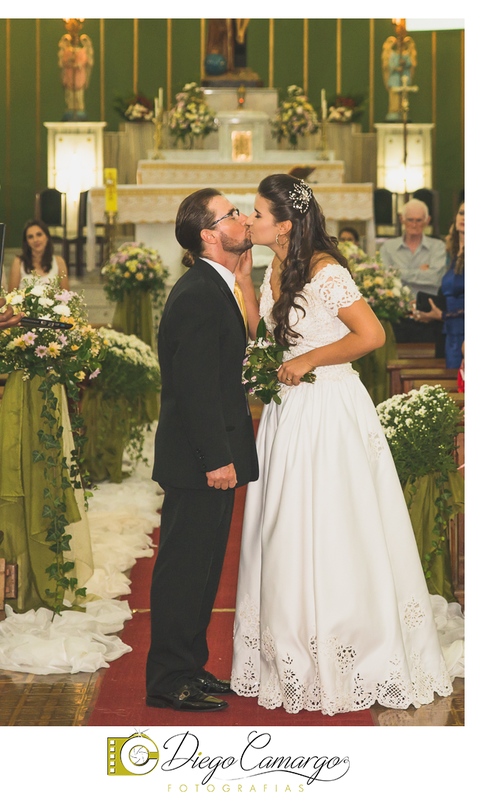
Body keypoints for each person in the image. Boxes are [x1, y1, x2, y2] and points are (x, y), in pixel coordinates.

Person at [230, 174, 454, 715]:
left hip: (329, 410)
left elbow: (369, 335)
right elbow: (269, 333)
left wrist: (308, 360)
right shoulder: (272, 265)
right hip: (288, 415)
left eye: (258, 214)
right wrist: (242, 282)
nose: (249, 220)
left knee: (332, 524)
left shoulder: (327, 272)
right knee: (286, 525)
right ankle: (293, 646)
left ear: (284, 225)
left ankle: (350, 644)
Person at [146, 188, 259, 712]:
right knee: (183, 569)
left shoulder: (218, 286)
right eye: (232, 214)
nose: (242, 218)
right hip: (199, 459)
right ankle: (169, 679)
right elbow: (193, 387)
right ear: (208, 234)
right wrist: (217, 456)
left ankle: (191, 666)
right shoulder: (196, 292)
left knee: (205, 568)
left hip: (209, 454)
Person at [378, 198, 446, 348]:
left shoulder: (438, 247)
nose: (414, 225)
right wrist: (421, 273)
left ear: (427, 220)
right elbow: (384, 280)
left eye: (419, 220)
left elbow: (435, 278)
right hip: (396, 319)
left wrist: (397, 273)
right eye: (410, 220)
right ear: (402, 219)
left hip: (428, 319)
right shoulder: (388, 247)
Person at [415, 203, 465, 368]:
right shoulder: (455, 256)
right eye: (461, 212)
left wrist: (442, 315)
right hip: (450, 332)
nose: (464, 217)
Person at [8, 220, 69, 292]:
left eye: (39, 235)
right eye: (30, 237)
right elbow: (11, 297)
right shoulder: (18, 263)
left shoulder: (59, 262)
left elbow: (66, 296)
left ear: (47, 237)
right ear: (26, 241)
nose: (35, 240)